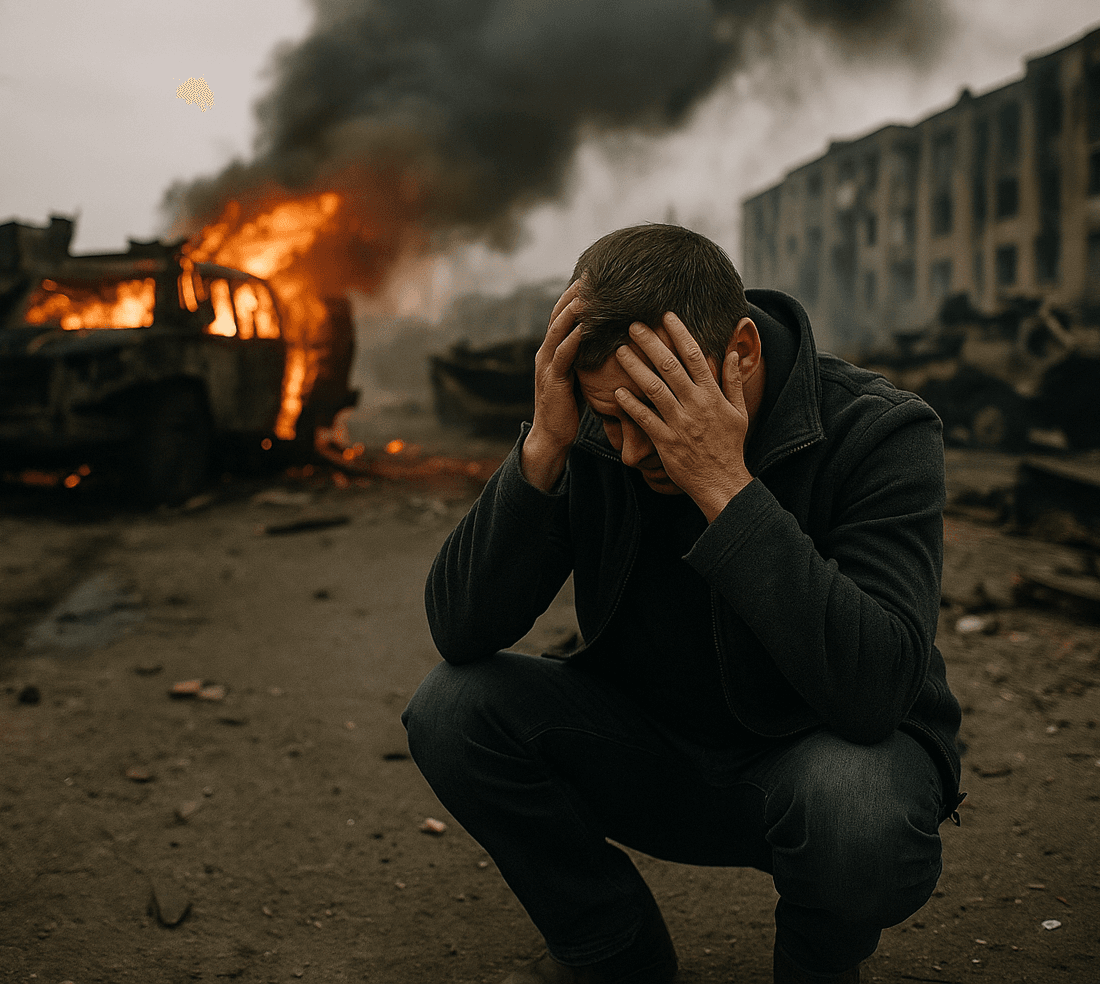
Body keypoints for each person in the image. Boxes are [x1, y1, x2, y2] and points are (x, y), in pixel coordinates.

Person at [403, 224, 964, 984]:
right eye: (611, 418)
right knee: (452, 709)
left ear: (741, 351)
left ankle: (817, 969)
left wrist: (724, 488)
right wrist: (543, 450)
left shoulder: (881, 430)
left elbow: (875, 692)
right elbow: (461, 629)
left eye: (654, 416)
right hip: (651, 755)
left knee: (855, 805)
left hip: (809, 772)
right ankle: (612, 950)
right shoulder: (593, 430)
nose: (629, 452)